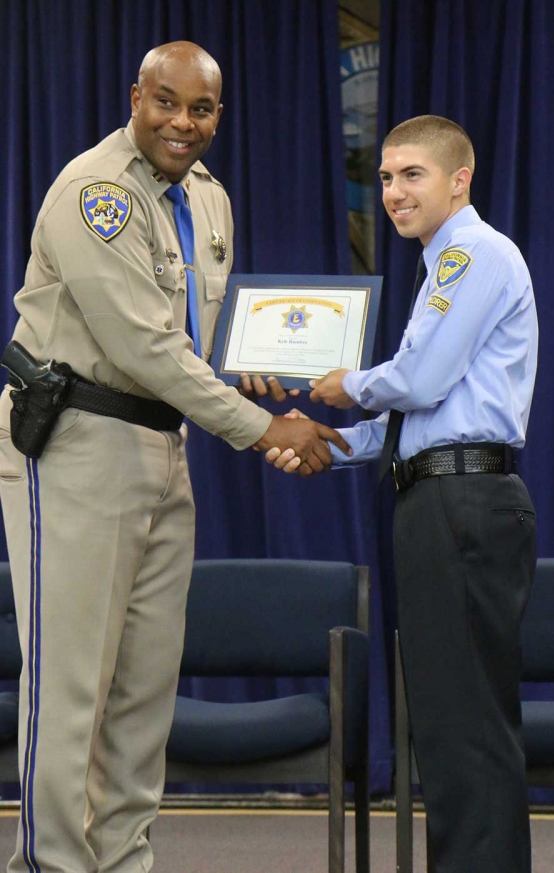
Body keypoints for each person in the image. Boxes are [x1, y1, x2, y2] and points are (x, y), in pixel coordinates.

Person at [0, 41, 350, 873]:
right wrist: (266, 429)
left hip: (165, 446)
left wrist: (253, 360)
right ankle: (52, 863)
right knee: (74, 685)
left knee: (144, 691)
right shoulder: (96, 194)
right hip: (78, 444)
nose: (182, 123)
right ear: (135, 97)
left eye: (201, 109)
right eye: (166, 102)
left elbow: (196, 336)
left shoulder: (209, 200)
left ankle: (122, 860)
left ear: (218, 116)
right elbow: (144, 346)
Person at [268, 115, 538, 872]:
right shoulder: (444, 263)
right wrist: (322, 439)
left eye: (412, 174)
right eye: (384, 177)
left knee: (467, 729)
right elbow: (417, 419)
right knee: (450, 727)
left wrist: (340, 384)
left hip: (464, 504)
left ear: (461, 180)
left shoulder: (472, 254)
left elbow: (417, 381)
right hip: (440, 500)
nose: (392, 192)